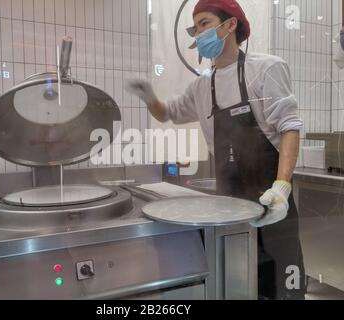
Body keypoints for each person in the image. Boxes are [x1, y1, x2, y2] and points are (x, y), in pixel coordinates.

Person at [126, 0, 306, 300]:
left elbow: (290, 127)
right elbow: (168, 113)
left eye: (204, 24)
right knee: (237, 284)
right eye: (194, 28)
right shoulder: (201, 86)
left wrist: (282, 187)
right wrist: (149, 98)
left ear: (230, 25)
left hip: (271, 199)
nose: (197, 34)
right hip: (229, 205)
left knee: (280, 285)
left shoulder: (266, 69)